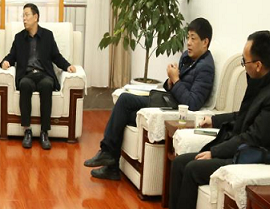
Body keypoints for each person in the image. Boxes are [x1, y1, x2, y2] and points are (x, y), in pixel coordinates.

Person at [151, 30, 270, 209]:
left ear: (258, 65)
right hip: (240, 149)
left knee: (192, 169)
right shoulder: (261, 81)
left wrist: (215, 152)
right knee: (180, 163)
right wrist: (215, 120)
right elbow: (244, 116)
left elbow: (253, 138)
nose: (243, 66)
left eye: (245, 62)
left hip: (252, 159)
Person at [86, 18, 216, 180]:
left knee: (125, 100)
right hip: (168, 99)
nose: (188, 43)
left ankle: (107, 154)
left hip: (174, 108)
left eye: (193, 38)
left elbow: (193, 103)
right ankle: (111, 165)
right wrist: (170, 81)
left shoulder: (206, 67)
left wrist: (175, 80)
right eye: (188, 37)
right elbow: (176, 86)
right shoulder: (187, 57)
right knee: (125, 111)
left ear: (205, 42)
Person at [0, 3, 77, 151]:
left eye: (27, 15)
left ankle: (44, 132)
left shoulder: (48, 36)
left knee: (47, 85)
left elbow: (56, 56)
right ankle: (27, 131)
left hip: (44, 74)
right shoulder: (19, 37)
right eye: (23, 16)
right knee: (24, 85)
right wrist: (5, 62)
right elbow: (11, 55)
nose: (24, 18)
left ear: (35, 17)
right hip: (27, 75)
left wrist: (67, 66)